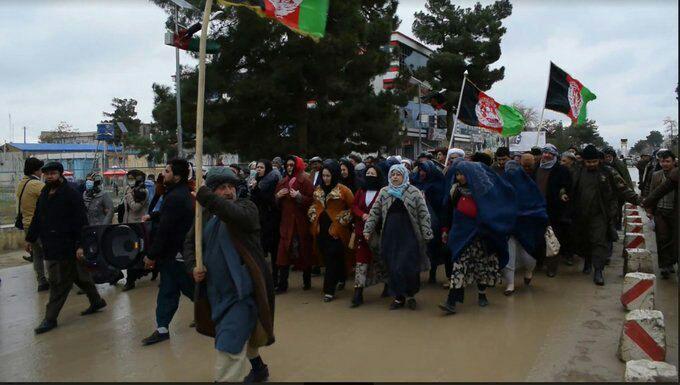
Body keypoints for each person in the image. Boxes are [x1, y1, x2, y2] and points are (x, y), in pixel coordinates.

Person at [184, 168, 275, 383]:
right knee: (245, 335)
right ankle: (258, 368)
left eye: (231, 187)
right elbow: (190, 244)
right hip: (216, 292)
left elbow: (235, 215)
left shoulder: (247, 207)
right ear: (214, 191)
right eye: (222, 188)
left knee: (230, 346)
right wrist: (193, 267)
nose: (228, 192)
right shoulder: (203, 215)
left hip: (243, 292)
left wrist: (205, 196)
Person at [27, 162, 106, 334]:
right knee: (79, 276)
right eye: (46, 174)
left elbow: (81, 222)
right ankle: (96, 301)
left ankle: (50, 318)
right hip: (50, 243)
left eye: (53, 173)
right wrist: (30, 238)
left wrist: (80, 245)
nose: (49, 177)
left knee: (58, 282)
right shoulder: (45, 192)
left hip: (67, 244)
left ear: (60, 174)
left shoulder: (70, 194)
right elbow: (38, 216)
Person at [438, 160, 516, 314]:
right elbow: (448, 211)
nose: (459, 177)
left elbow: (496, 210)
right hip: (461, 235)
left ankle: (482, 294)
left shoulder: (485, 191)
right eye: (458, 174)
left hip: (483, 236)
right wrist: (445, 229)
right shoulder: (455, 191)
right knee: (458, 266)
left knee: (483, 266)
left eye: (462, 174)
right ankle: (451, 301)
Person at [140, 159, 195, 345]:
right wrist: (153, 215)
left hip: (177, 253)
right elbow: (168, 216)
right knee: (168, 291)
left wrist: (151, 254)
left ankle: (217, 316)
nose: (164, 174)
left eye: (167, 171)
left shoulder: (176, 196)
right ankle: (162, 328)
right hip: (173, 254)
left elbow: (165, 230)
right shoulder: (177, 194)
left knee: (193, 290)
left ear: (177, 176)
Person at [364, 164, 433, 310]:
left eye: (398, 174)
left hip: (409, 234)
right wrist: (368, 229)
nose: (395, 177)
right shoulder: (384, 192)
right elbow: (375, 212)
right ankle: (399, 297)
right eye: (393, 174)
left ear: (404, 176)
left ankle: (411, 294)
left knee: (408, 264)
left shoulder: (414, 192)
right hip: (390, 235)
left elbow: (423, 213)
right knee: (393, 265)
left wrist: (427, 231)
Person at [570, 145, 640, 286]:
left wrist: (639, 200)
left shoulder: (608, 172)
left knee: (599, 241)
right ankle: (587, 262)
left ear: (599, 160)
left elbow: (623, 188)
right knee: (584, 240)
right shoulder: (577, 171)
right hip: (581, 213)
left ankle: (598, 271)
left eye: (594, 162)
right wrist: (563, 194)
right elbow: (567, 187)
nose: (591, 165)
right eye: (588, 162)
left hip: (601, 213)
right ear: (584, 161)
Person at [308, 160, 355, 302]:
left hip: (337, 230)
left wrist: (341, 220)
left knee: (332, 256)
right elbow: (314, 205)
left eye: (328, 175)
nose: (326, 178)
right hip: (320, 228)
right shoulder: (318, 190)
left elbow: (353, 208)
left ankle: (329, 290)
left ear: (334, 175)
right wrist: (313, 214)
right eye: (324, 175)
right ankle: (341, 277)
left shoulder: (343, 190)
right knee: (328, 255)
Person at [501, 161, 548, 295]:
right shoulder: (502, 184)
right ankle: (510, 283)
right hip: (508, 227)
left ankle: (528, 271)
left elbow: (539, 206)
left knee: (527, 256)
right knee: (508, 255)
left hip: (527, 228)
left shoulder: (529, 186)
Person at [274, 155, 315, 293]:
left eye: (292, 165)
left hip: (301, 224)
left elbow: (312, 200)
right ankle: (282, 285)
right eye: (287, 165)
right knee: (282, 254)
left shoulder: (305, 182)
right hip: (286, 225)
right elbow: (276, 205)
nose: (289, 167)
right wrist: (278, 197)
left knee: (304, 252)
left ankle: (307, 281)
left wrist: (299, 197)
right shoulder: (282, 182)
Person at [350, 165, 386, 307]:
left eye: (373, 173)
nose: (370, 175)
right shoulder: (360, 191)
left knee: (381, 261)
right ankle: (358, 293)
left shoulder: (382, 192)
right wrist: (362, 214)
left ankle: (388, 286)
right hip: (361, 232)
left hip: (376, 233)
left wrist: (374, 217)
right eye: (368, 173)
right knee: (361, 262)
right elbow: (354, 206)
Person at [534, 144, 572, 277]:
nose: (546, 155)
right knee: (537, 237)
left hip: (554, 210)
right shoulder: (536, 168)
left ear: (555, 155)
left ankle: (552, 267)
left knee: (553, 239)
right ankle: (539, 262)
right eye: (545, 153)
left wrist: (563, 194)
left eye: (550, 153)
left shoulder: (561, 170)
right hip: (537, 209)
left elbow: (566, 187)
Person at [411, 160, 447, 285]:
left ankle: (433, 273)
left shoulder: (437, 183)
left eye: (423, 170)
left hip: (435, 220)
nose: (421, 173)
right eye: (420, 170)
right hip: (418, 219)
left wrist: (427, 196)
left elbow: (441, 201)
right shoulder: (415, 182)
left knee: (433, 247)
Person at [16, 157, 48, 291]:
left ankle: (41, 281)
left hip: (27, 225)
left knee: (37, 255)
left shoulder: (22, 183)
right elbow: (51, 195)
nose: (42, 172)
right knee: (52, 253)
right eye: (41, 169)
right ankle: (58, 280)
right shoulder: (35, 184)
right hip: (39, 225)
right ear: (36, 170)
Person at [250, 159, 282, 283]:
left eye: (262, 167)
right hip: (260, 219)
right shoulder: (257, 181)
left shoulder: (272, 181)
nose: (258, 169)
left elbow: (269, 200)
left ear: (267, 169)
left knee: (273, 250)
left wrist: (257, 189)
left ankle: (275, 278)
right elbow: (254, 200)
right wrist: (254, 189)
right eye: (257, 167)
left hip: (272, 219)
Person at [647, 150, 677, 279]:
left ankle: (672, 261)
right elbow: (652, 192)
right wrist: (649, 210)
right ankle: (664, 265)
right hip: (660, 211)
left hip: (675, 211)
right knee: (662, 238)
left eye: (667, 161)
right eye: (662, 161)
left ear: (674, 161)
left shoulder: (676, 175)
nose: (664, 164)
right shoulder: (656, 175)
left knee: (674, 238)